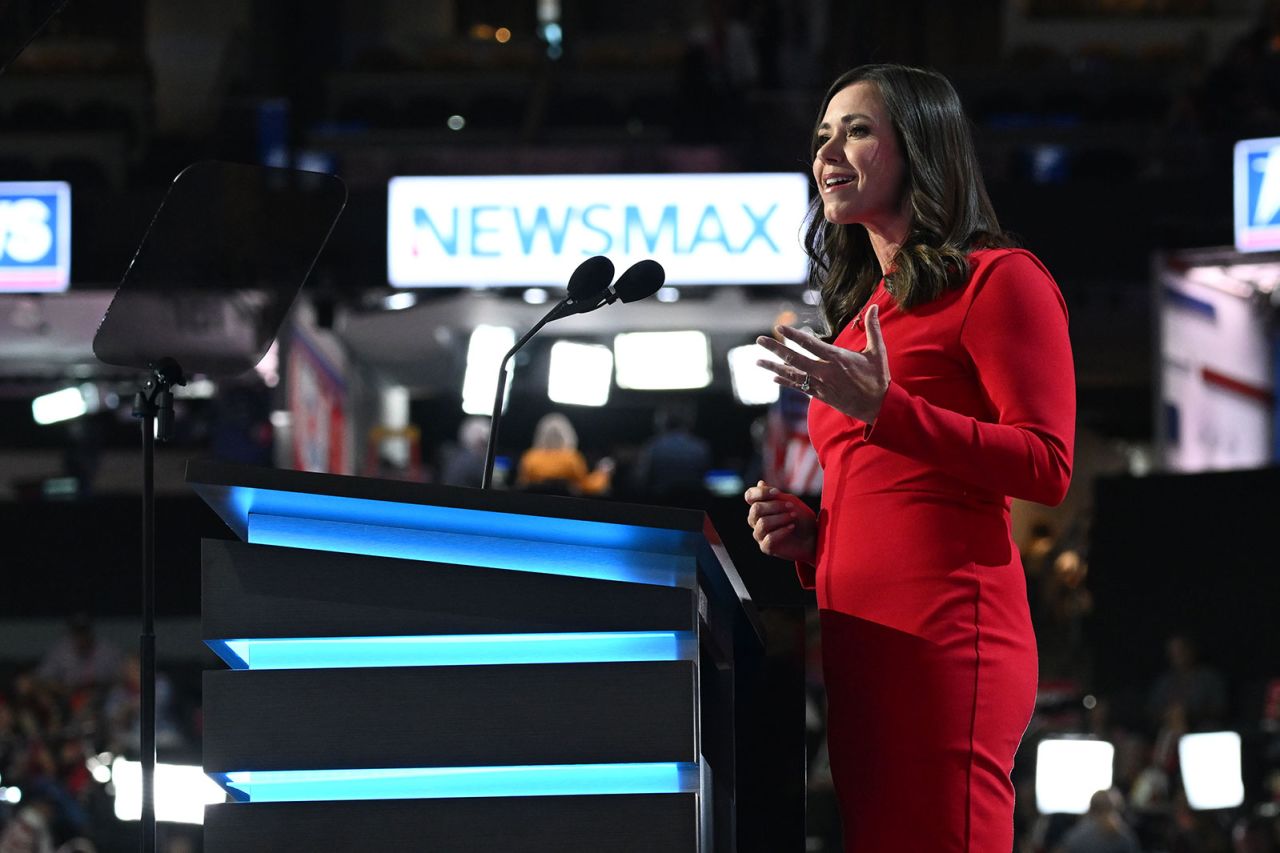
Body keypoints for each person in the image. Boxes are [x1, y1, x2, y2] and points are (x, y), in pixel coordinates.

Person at [744, 64, 1075, 851]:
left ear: (921, 149)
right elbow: (893, 491)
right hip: (860, 649)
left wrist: (886, 411)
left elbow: (1047, 464)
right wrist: (815, 540)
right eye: (822, 135)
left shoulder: (1000, 281)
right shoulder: (864, 318)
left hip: (947, 642)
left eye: (857, 130)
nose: (829, 152)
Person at [515, 413, 612, 495]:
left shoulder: (530, 457)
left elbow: (521, 484)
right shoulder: (571, 458)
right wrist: (603, 473)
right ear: (568, 434)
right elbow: (586, 485)